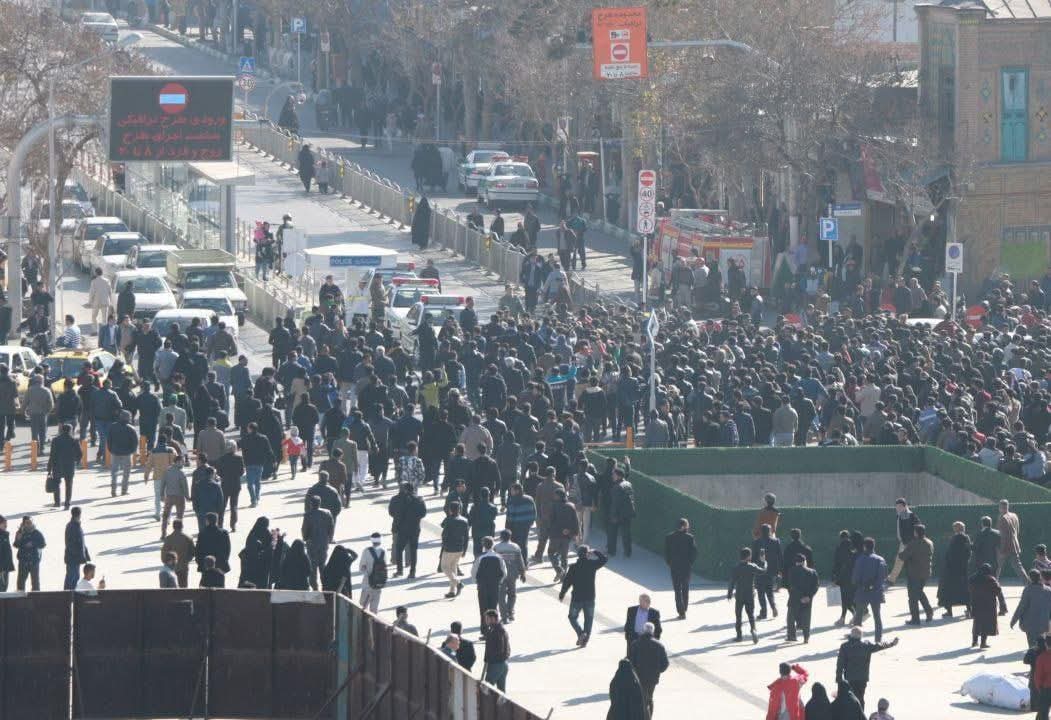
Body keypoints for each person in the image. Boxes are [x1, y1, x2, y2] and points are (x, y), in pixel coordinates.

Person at [835, 627, 898, 709]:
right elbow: (880, 645)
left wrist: (839, 678)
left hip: (850, 678)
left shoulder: (845, 646)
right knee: (860, 698)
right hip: (862, 678)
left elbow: (840, 664)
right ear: (861, 635)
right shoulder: (866, 645)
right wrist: (892, 643)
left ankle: (851, 713)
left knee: (850, 698)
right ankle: (861, 713)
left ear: (851, 635)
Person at [558, 544, 608, 647]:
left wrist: (562, 594)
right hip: (590, 598)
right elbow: (604, 559)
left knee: (572, 617)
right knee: (588, 619)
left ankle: (580, 633)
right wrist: (595, 551)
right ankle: (585, 640)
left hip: (577, 598)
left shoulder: (573, 567)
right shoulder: (592, 565)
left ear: (578, 554)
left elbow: (567, 582)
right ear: (587, 554)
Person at [628, 622, 668, 718]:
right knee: (649, 698)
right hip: (652, 678)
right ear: (653, 632)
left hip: (638, 677)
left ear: (643, 631)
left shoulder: (635, 644)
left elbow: (630, 661)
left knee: (640, 698)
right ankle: (649, 716)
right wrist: (657, 671)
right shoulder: (659, 646)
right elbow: (665, 664)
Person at [852, 537, 888, 642]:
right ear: (873, 546)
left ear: (864, 547)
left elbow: (855, 578)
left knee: (858, 617)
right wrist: (874, 586)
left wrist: (862, 585)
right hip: (876, 592)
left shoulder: (860, 559)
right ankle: (878, 640)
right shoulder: (880, 560)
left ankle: (856, 639)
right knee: (877, 617)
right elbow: (883, 576)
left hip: (862, 592)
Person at [388, 482, 426, 578]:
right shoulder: (419, 499)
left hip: (401, 528)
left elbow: (391, 512)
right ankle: (412, 572)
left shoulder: (396, 499)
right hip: (415, 528)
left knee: (399, 549)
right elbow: (423, 513)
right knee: (413, 550)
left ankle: (399, 570)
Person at [898, 523, 934, 625]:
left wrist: (901, 551)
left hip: (914, 572)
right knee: (919, 592)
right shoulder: (929, 542)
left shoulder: (913, 544)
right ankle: (928, 611)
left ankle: (915, 618)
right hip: (925, 572)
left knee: (913, 597)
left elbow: (903, 556)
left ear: (916, 533)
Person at [727, 546, 763, 643]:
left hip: (739, 595)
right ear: (748, 556)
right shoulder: (752, 566)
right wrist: (763, 562)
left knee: (738, 616)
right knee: (751, 614)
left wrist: (729, 593)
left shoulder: (736, 568)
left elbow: (732, 582)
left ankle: (739, 636)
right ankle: (753, 629)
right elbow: (762, 571)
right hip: (750, 594)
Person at [471, 536, 506, 632]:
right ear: (493, 544)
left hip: (483, 586)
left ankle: (484, 629)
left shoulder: (480, 557)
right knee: (493, 607)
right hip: (494, 586)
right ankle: (495, 629)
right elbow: (504, 572)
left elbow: (473, 572)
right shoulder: (499, 557)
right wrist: (499, 582)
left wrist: (477, 582)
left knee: (483, 608)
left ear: (483, 545)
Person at [937, 521, 972, 618]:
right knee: (965, 590)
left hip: (952, 569)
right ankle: (969, 609)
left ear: (956, 529)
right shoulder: (967, 538)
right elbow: (969, 553)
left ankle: (949, 611)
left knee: (948, 590)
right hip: (964, 568)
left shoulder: (954, 539)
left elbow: (950, 554)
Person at [969, 562, 1008, 648]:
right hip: (988, 605)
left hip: (976, 604)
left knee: (977, 623)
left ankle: (974, 641)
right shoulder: (991, 579)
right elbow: (998, 590)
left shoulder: (973, 579)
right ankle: (983, 643)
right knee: (985, 624)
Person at [664, 517, 697, 619]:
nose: (688, 527)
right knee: (685, 588)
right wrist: (690, 563)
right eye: (687, 525)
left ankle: (681, 611)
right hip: (686, 567)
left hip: (674, 567)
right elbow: (694, 553)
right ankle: (684, 608)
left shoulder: (669, 537)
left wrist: (670, 563)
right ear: (684, 526)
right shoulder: (690, 538)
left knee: (677, 589)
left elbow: (667, 552)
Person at [1011, 569, 1051, 649]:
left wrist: (1013, 620)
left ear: (1030, 578)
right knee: (1042, 644)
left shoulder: (1028, 590)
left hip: (1030, 623)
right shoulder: (1048, 590)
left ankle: (1034, 655)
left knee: (1032, 646)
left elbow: (1021, 607)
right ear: (1040, 577)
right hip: (1043, 623)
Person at [301, 495, 334, 590]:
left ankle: (315, 587)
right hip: (323, 543)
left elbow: (305, 529)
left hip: (312, 544)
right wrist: (329, 539)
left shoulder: (308, 515)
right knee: (322, 565)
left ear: (311, 504)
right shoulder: (327, 513)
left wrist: (305, 538)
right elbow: (331, 527)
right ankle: (325, 586)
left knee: (313, 567)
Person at [785, 552, 819, 642]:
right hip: (807, 600)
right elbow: (816, 586)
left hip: (794, 598)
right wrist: (808, 596)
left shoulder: (791, 571)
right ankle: (806, 637)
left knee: (790, 618)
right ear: (804, 561)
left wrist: (800, 596)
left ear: (796, 562)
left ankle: (792, 636)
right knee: (806, 618)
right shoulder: (812, 572)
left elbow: (792, 585)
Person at [493, 529, 525, 623]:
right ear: (510, 537)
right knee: (512, 594)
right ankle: (510, 612)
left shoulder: (496, 547)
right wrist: (522, 573)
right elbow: (520, 562)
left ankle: (504, 616)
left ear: (501, 537)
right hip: (512, 574)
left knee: (501, 596)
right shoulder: (515, 547)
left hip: (500, 575)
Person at [47, 423, 82, 509]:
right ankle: (67, 503)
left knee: (56, 483)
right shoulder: (74, 440)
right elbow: (80, 454)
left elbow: (52, 455)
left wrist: (49, 467)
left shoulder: (55, 440)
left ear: (61, 430)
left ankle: (57, 502)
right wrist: (76, 461)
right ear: (70, 431)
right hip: (69, 466)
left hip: (57, 466)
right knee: (68, 485)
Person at [752, 523, 782, 619]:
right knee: (769, 591)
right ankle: (773, 606)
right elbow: (780, 556)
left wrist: (752, 569)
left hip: (759, 570)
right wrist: (779, 570)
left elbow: (753, 557)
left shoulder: (756, 542)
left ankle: (763, 613)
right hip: (771, 571)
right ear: (769, 531)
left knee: (761, 592)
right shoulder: (776, 541)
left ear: (761, 532)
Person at [885, 498, 919, 584]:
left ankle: (892, 579)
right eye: (896, 506)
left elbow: (918, 527)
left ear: (905, 506)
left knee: (908, 561)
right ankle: (891, 579)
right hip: (903, 542)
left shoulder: (911, 516)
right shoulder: (899, 516)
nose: (897, 508)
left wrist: (912, 541)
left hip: (910, 543)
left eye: (899, 506)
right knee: (899, 561)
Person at [440, 502, 469, 598]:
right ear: (459, 509)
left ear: (450, 510)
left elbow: (444, 533)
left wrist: (444, 545)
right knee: (453, 568)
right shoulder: (464, 520)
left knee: (444, 567)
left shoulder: (449, 520)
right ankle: (452, 591)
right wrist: (465, 549)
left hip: (449, 548)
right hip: (460, 547)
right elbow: (466, 537)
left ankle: (458, 583)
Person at [997, 499, 1027, 581]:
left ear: (1000, 507)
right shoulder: (1014, 516)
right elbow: (1017, 531)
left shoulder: (1002, 518)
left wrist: (1002, 550)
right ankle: (1028, 584)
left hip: (1005, 547)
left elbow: (1003, 535)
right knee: (1018, 566)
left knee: (997, 566)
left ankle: (993, 584)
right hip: (1014, 545)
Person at [13, 516, 45, 591]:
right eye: (27, 523)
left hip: (34, 560)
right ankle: (20, 596)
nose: (29, 524)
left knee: (35, 582)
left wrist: (33, 544)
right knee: (21, 582)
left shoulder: (36, 532)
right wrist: (19, 538)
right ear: (23, 524)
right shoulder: (20, 533)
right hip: (23, 561)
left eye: (31, 522)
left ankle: (36, 596)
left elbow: (43, 544)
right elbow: (16, 545)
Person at [482, 609, 511, 691]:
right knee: (501, 691)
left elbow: (499, 648)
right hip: (502, 663)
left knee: (486, 689)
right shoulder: (498, 629)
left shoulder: (497, 631)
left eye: (487, 619)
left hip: (496, 664)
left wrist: (489, 659)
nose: (486, 621)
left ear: (493, 619)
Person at [358, 532, 386, 613]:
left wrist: (367, 572)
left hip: (367, 584)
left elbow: (361, 568)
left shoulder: (366, 551)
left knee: (362, 609)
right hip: (378, 585)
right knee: (374, 611)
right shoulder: (383, 552)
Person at [161, 519, 194, 587]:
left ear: (173, 527)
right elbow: (192, 552)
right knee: (183, 586)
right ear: (182, 526)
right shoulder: (188, 538)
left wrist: (166, 562)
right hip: (184, 566)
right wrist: (186, 560)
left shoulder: (169, 538)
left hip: (171, 567)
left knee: (173, 586)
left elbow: (163, 554)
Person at [63, 506, 90, 591]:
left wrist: (85, 554)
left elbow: (81, 542)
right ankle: (67, 595)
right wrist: (80, 555)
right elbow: (71, 544)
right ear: (79, 515)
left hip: (75, 558)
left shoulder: (75, 525)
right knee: (71, 578)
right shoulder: (73, 526)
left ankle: (72, 594)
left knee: (75, 577)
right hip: (72, 558)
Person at [87, 268, 112, 333]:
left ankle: (96, 330)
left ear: (96, 273)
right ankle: (105, 331)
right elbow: (110, 292)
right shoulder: (107, 281)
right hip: (105, 302)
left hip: (96, 302)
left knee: (94, 316)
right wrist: (110, 300)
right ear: (102, 273)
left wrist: (89, 302)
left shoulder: (94, 281)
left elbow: (91, 293)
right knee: (104, 318)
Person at [0, 515, 13, 592]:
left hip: (5, 567)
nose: (6, 525)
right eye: (4, 523)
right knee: (2, 589)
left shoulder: (4, 535)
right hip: (2, 568)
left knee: (4, 588)